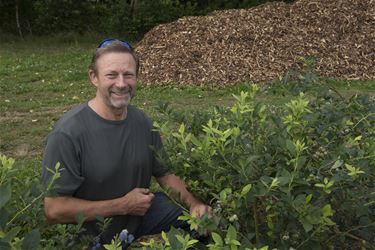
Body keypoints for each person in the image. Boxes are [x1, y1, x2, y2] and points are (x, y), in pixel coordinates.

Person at [41, 39, 211, 247]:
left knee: (205, 222)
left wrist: (194, 205)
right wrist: (122, 206)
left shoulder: (142, 121)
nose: (121, 84)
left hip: (140, 216)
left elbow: (165, 174)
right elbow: (54, 210)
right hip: (93, 234)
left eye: (128, 75)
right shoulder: (68, 133)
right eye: (111, 75)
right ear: (94, 77)